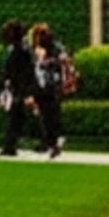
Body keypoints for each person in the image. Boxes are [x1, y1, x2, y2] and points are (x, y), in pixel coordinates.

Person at [0, 19, 37, 157]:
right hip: (15, 88)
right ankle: (10, 145)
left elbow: (26, 72)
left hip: (19, 88)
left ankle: (10, 145)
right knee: (16, 117)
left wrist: (27, 92)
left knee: (15, 117)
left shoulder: (21, 50)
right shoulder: (16, 49)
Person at [31, 23, 67, 159]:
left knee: (49, 116)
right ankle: (50, 141)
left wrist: (40, 58)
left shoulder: (48, 50)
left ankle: (53, 141)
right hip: (51, 87)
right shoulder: (57, 48)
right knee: (49, 115)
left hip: (48, 87)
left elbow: (41, 67)